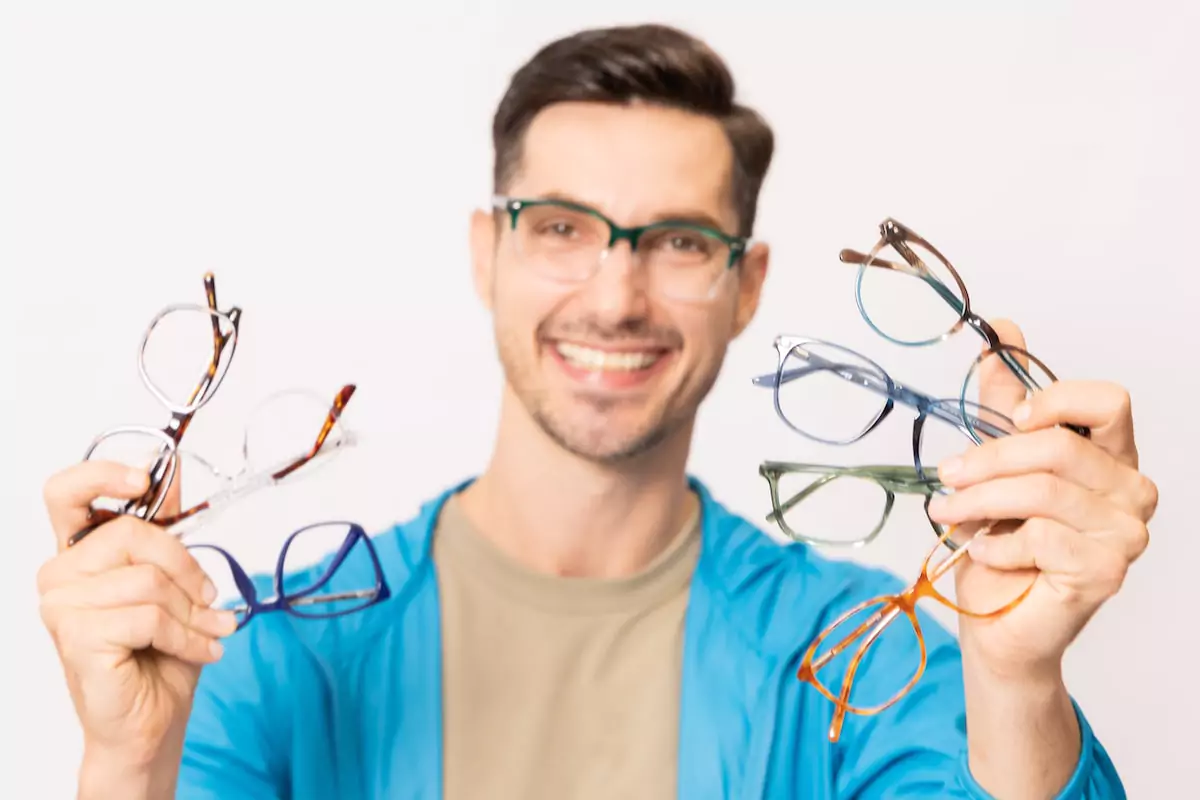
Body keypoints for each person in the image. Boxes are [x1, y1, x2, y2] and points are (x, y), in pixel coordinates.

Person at [36, 22, 1156, 800]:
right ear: (491, 251)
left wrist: (1015, 680)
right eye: (563, 225)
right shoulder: (274, 657)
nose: (616, 296)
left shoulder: (860, 665)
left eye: (679, 241)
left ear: (747, 283)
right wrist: (128, 764)